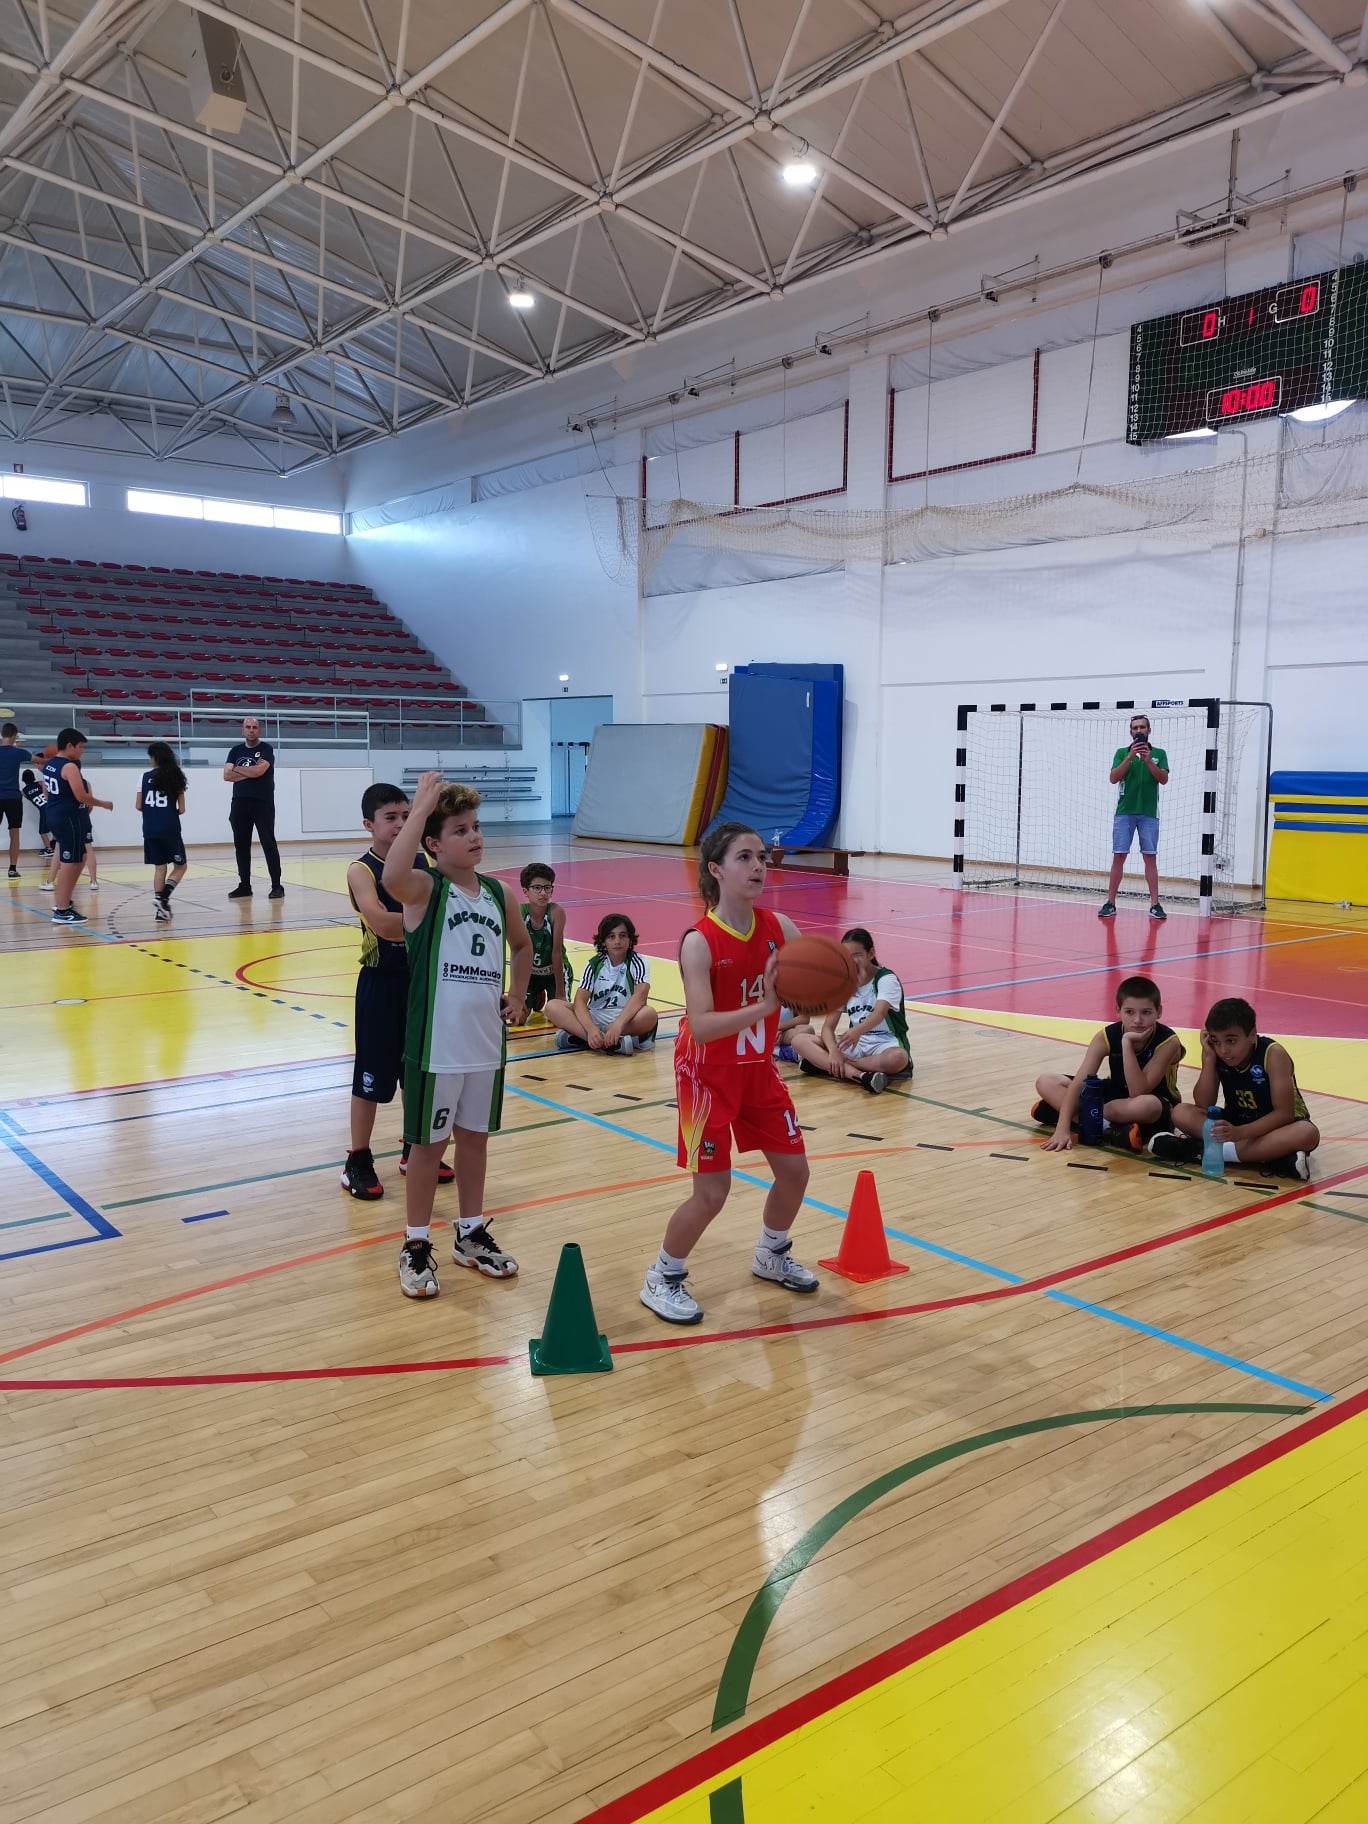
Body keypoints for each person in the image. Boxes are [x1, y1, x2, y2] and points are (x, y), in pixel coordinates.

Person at [639, 821, 818, 1326]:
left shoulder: (781, 928)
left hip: (758, 1071)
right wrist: (766, 1007)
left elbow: (806, 991)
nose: (758, 866)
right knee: (712, 1193)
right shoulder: (699, 942)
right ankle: (662, 1276)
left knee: (795, 1172)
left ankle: (771, 1252)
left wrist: (824, 990)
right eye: (745, 857)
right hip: (706, 1077)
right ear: (716, 870)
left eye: (762, 856)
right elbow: (700, 1025)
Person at [382, 772, 532, 1297]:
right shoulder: (425, 889)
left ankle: (470, 1234)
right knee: (428, 1147)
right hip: (436, 1047)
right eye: (460, 830)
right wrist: (422, 807)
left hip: (486, 1044)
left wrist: (518, 994)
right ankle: (415, 1242)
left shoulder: (498, 892)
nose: (474, 837)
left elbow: (521, 946)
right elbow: (391, 875)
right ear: (434, 843)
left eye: (476, 827)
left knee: (475, 1142)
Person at [340, 782, 453, 1201]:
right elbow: (383, 924)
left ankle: (413, 1150)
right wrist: (427, 921)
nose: (400, 824)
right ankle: (358, 1159)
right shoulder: (361, 870)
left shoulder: (424, 863)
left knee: (418, 1071)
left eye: (406, 816)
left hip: (420, 980)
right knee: (369, 1076)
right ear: (368, 824)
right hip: (380, 982)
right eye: (390, 818)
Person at [1149, 996, 1318, 1180]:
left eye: (1231, 1041)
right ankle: (1273, 1159)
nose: (1223, 1050)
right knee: (1180, 1112)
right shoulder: (1216, 1054)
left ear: (1252, 1035)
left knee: (1307, 1133)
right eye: (1216, 1041)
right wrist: (1209, 1058)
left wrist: (1240, 1133)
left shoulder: (1273, 1054)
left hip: (1275, 1128)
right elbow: (1203, 1104)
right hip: (1236, 1123)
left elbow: (1284, 1115)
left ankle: (1200, 1151)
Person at [1032, 974, 1184, 1153]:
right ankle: (1109, 1129)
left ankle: (1085, 1118)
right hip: (1114, 1096)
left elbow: (1138, 1091)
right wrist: (1062, 1129)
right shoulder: (1105, 1036)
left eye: (1146, 1012)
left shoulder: (1169, 1042)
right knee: (1046, 1081)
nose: (1137, 1020)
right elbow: (1079, 1082)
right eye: (1129, 1012)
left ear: (1159, 1012)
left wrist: (1126, 1044)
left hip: (1153, 1104)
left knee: (1147, 1105)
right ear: (1118, 1011)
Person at [799, 927, 912, 1094]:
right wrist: (833, 1051)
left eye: (857, 955)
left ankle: (832, 1066)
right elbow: (828, 1027)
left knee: (898, 1058)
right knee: (800, 1040)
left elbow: (879, 1014)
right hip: (855, 1043)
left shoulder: (886, 978)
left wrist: (856, 1032)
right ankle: (862, 1076)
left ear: (871, 953)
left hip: (885, 1043)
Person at [548, 913, 658, 1055]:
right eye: (611, 937)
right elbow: (580, 1001)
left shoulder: (638, 962)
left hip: (626, 1017)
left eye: (622, 936)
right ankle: (605, 1041)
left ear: (630, 940)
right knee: (552, 1006)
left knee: (650, 1014)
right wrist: (590, 1029)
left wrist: (618, 1025)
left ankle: (585, 1038)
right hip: (596, 1016)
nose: (617, 941)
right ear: (603, 942)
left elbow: (640, 996)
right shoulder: (594, 964)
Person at [1100, 713, 1169, 920]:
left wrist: (1147, 760)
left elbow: (1163, 779)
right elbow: (1113, 778)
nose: (1138, 731)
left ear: (1149, 730)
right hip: (1124, 813)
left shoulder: (1159, 753)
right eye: (1135, 728)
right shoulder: (1121, 753)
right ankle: (1110, 903)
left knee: (1150, 857)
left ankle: (1155, 904)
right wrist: (1130, 757)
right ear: (1130, 732)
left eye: (1142, 727)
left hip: (1149, 813)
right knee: (1119, 856)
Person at [41, 728, 108, 927]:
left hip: (55, 815)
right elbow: (81, 796)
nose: (82, 751)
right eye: (80, 747)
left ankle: (64, 901)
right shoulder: (69, 767)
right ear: (69, 746)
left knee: (80, 858)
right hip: (67, 819)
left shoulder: (49, 764)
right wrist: (104, 804)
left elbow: (46, 792)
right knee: (70, 862)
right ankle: (62, 910)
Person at [223, 715, 282, 900]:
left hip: (262, 803)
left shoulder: (266, 749)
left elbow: (259, 771)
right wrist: (251, 772)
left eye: (254, 727)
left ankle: (276, 886)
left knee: (268, 843)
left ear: (259, 730)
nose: (251, 730)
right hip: (239, 803)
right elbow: (226, 775)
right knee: (241, 846)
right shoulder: (235, 750)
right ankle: (245, 886)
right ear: (242, 730)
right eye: (248, 727)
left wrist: (237, 769)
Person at [137, 742, 188, 922]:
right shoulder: (176, 776)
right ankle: (163, 898)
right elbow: (182, 809)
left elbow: (138, 805)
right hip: (170, 828)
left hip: (150, 829)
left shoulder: (143, 777)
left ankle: (161, 912)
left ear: (155, 758)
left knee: (160, 868)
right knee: (181, 866)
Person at [520, 861, 571, 1020]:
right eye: (537, 888)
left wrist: (560, 994)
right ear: (525, 891)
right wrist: (517, 992)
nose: (543, 893)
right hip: (530, 974)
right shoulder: (520, 912)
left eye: (547, 888)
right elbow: (517, 952)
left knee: (557, 1017)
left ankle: (549, 994)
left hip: (554, 973)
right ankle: (536, 994)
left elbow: (556, 953)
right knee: (519, 1018)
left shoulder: (556, 912)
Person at [0, 722, 33, 880]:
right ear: (14, 736)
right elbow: (39, 760)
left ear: (2, 734)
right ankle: (12, 870)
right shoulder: (19, 752)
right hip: (13, 798)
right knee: (14, 833)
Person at [20, 769, 53, 878]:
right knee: (55, 827)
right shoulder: (39, 783)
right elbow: (46, 786)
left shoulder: (24, 791)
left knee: (42, 831)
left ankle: (48, 849)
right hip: (51, 807)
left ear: (23, 780)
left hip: (44, 810)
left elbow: (24, 795)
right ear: (33, 777)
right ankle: (56, 844)